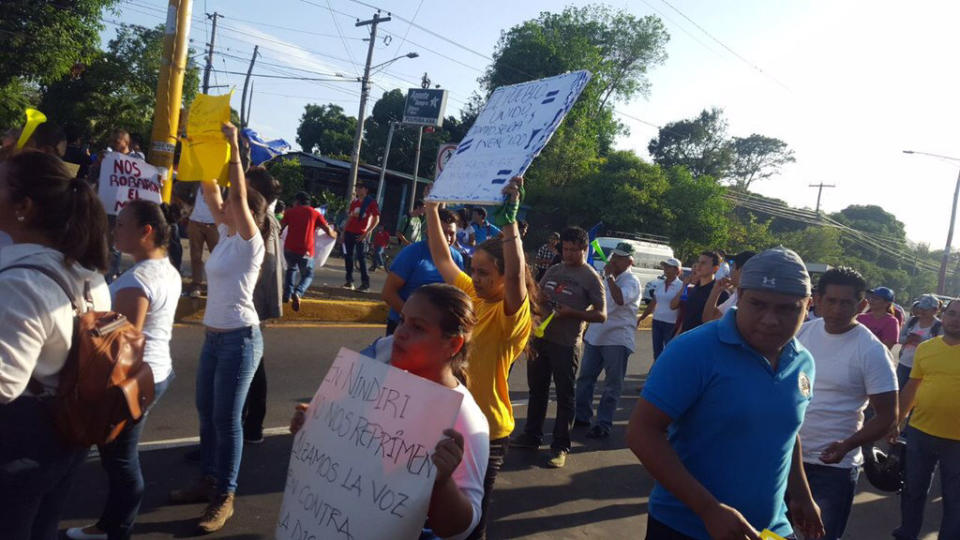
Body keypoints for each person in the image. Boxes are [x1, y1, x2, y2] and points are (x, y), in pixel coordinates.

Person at [626, 247, 825, 540]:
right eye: (758, 304)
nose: (770, 319)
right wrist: (707, 509)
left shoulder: (803, 361)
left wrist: (801, 495)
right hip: (686, 526)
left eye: (788, 308)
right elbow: (642, 432)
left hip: (771, 529)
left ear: (808, 305)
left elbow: (786, 429)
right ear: (740, 296)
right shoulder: (694, 350)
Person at [291, 284, 489, 539]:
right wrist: (319, 426)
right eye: (402, 320)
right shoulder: (385, 383)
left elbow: (460, 529)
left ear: (453, 344)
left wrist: (442, 481)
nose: (400, 333)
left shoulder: (463, 418)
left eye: (417, 327)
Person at [0, 150, 111, 539]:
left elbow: (4, 383)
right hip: (64, 438)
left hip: (18, 447)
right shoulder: (86, 274)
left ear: (23, 207)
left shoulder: (20, 284)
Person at [168, 123, 266, 533]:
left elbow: (238, 194)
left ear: (245, 213)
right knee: (206, 413)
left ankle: (224, 495)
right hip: (214, 338)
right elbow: (210, 188)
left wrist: (233, 149)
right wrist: (197, 147)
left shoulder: (249, 240)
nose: (220, 201)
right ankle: (208, 479)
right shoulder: (225, 236)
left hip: (240, 340)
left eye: (228, 201)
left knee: (227, 419)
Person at [424, 177, 533, 539]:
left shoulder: (510, 316)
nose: (475, 277)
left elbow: (518, 273)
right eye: (474, 269)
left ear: (504, 278)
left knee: (468, 525)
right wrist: (431, 209)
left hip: (486, 430)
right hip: (445, 421)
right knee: (430, 511)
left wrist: (509, 225)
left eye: (484, 273)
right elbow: (441, 257)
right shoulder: (472, 294)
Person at [66, 201, 182, 540]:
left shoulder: (139, 281)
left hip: (132, 379)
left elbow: (121, 344)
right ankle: (112, 526)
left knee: (120, 460)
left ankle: (116, 529)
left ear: (146, 232)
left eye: (121, 225)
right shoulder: (165, 267)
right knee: (118, 458)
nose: (114, 230)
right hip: (155, 372)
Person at [795, 267, 898, 540]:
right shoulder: (801, 334)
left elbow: (888, 416)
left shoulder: (872, 351)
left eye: (846, 302)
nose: (837, 309)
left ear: (861, 304)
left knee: (820, 536)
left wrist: (847, 445)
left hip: (833, 468)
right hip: (787, 458)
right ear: (816, 299)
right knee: (772, 532)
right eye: (831, 300)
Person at [513, 225, 606, 469]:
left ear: (585, 249)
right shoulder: (555, 268)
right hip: (542, 338)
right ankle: (531, 436)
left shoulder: (591, 278)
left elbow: (602, 314)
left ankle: (560, 446)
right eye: (565, 249)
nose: (569, 254)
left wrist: (572, 313)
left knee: (565, 395)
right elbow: (538, 293)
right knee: (537, 390)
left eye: (574, 250)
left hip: (566, 344)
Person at [889, 298, 960, 540]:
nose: (956, 320)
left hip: (958, 441)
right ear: (945, 316)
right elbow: (912, 386)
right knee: (912, 490)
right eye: (952, 314)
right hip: (920, 431)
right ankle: (907, 532)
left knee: (955, 497)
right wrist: (897, 421)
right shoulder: (926, 348)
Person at [574, 242, 641, 439]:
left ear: (630, 261)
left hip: (617, 338)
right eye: (613, 256)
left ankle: (604, 423)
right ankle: (582, 416)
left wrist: (610, 277)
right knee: (586, 378)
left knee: (612, 384)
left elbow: (619, 299)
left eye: (619, 258)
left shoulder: (632, 281)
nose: (613, 260)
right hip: (597, 335)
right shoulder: (606, 278)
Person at [243, 167, 285, 445]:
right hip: (250, 305)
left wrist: (245, 297)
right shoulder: (258, 219)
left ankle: (248, 426)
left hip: (251, 305)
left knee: (249, 367)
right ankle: (251, 427)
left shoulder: (264, 222)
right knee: (252, 366)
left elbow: (266, 265)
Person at [381, 208, 464, 336]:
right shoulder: (411, 253)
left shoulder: (457, 258)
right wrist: (415, 320)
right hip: (403, 327)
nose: (447, 238)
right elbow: (388, 293)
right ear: (429, 231)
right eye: (442, 232)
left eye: (451, 233)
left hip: (436, 332)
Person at [281, 191, 336, 311]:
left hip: (289, 248)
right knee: (308, 274)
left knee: (291, 269)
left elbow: (281, 226)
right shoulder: (314, 213)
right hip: (305, 250)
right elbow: (326, 229)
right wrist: (334, 234)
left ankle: (287, 294)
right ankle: (298, 292)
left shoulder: (290, 212)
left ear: (297, 201)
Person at [638, 257, 685, 362]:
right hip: (657, 321)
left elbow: (682, 307)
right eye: (665, 267)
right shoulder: (660, 285)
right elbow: (653, 303)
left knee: (669, 350)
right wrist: (642, 317)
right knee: (657, 350)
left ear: (677, 270)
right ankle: (656, 370)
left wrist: (681, 326)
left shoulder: (681, 286)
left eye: (669, 267)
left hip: (672, 323)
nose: (665, 269)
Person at [673, 251, 727, 335]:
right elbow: (686, 317)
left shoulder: (720, 293)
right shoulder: (694, 289)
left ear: (715, 268)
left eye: (703, 263)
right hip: (685, 338)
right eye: (698, 262)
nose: (698, 266)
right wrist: (677, 335)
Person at [896, 294, 941, 389]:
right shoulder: (912, 321)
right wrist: (909, 339)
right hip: (904, 364)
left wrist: (920, 341)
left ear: (935, 310)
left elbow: (940, 347)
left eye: (926, 309)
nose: (922, 311)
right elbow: (899, 339)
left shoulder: (939, 326)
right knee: (898, 392)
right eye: (921, 308)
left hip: (924, 368)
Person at [342, 182, 379, 291]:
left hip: (360, 234)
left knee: (361, 258)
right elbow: (350, 218)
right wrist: (343, 232)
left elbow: (376, 219)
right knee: (348, 257)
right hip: (349, 232)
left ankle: (365, 284)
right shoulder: (354, 202)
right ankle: (349, 282)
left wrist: (366, 233)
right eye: (357, 188)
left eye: (360, 188)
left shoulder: (371, 202)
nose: (357, 190)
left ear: (366, 190)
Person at [702, 251, 756, 323]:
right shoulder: (736, 295)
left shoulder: (749, 300)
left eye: (732, 267)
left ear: (740, 270)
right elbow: (708, 319)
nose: (730, 272)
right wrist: (715, 292)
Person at [186, 183, 219, 298]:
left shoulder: (223, 183)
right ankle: (196, 284)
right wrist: (187, 208)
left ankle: (216, 285)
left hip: (214, 223)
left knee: (217, 257)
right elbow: (178, 189)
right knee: (195, 256)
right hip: (195, 221)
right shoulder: (195, 180)